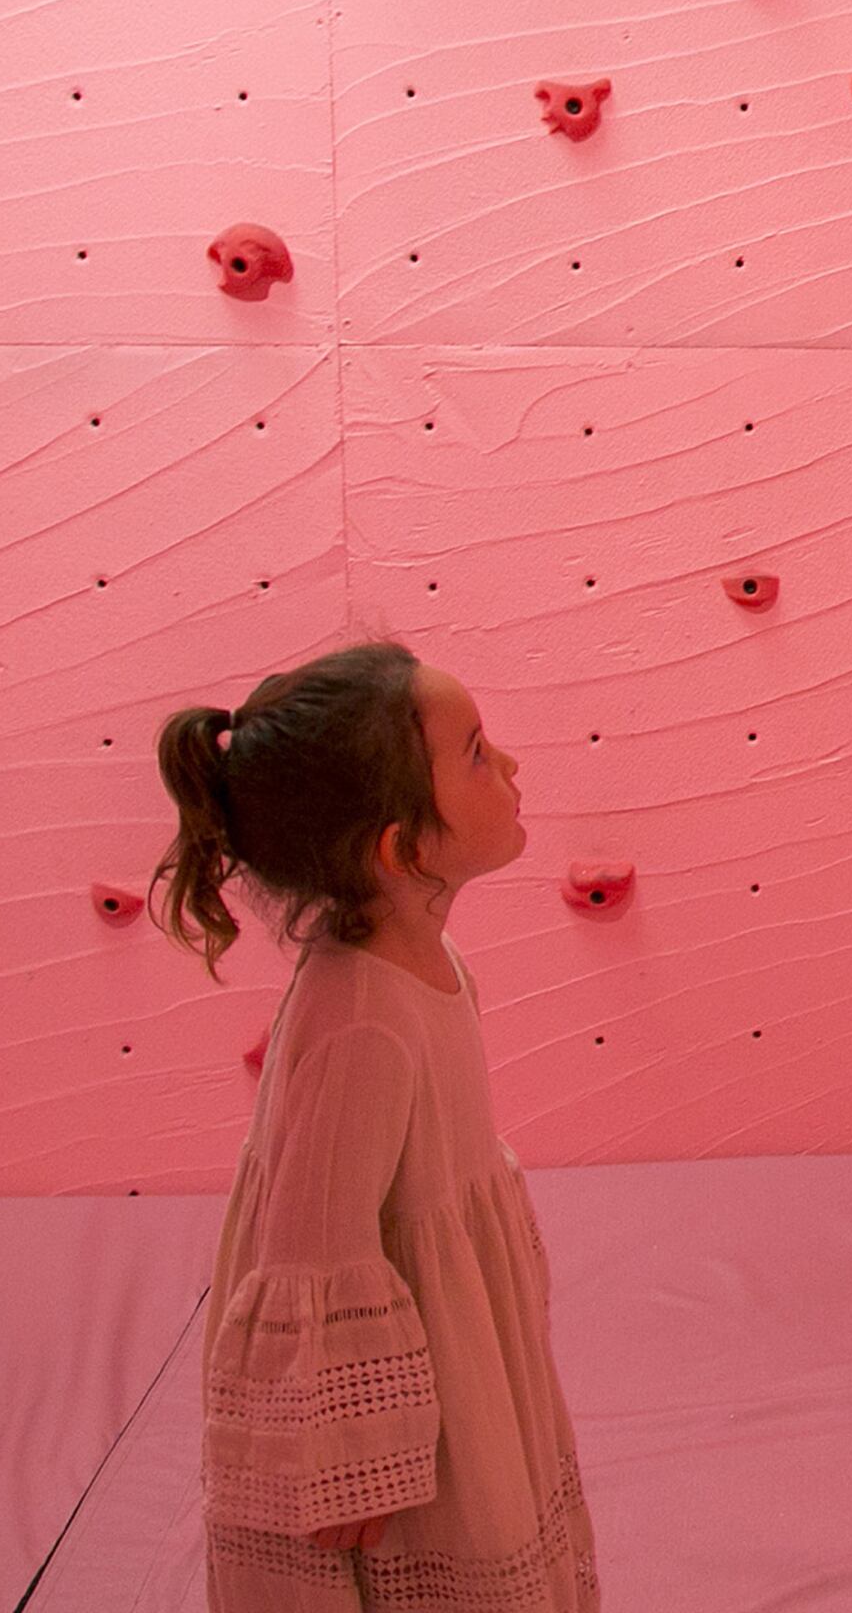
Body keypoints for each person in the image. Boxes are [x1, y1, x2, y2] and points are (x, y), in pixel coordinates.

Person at [150, 641, 599, 1611]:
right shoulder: (362, 1018)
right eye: (475, 753)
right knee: (433, 1550)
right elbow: (311, 1240)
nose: (509, 765)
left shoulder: (427, 965)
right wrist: (347, 1445)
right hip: (404, 1381)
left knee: (498, 1506)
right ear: (403, 849)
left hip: (456, 1331)